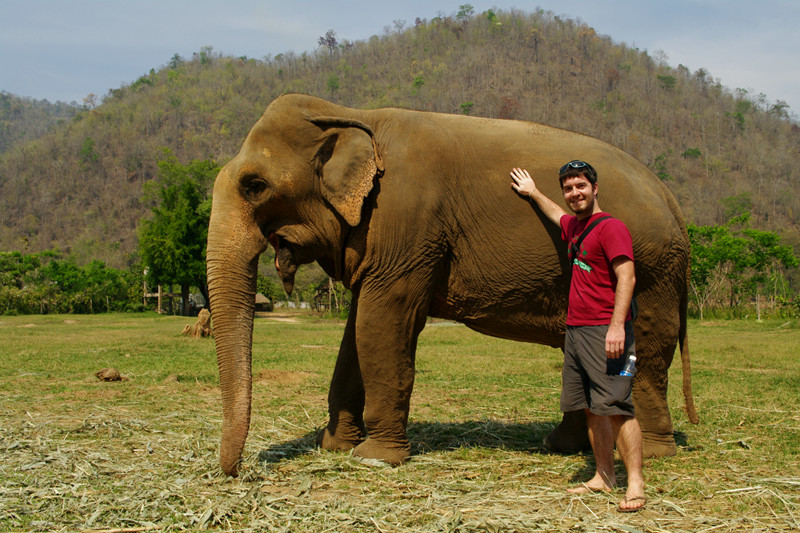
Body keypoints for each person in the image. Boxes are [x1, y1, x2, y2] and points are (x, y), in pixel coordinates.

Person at [510, 161, 646, 513]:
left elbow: (627, 278)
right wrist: (533, 192)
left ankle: (635, 484)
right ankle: (604, 475)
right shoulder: (576, 227)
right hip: (577, 331)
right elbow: (557, 215)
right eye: (569, 188)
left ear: (595, 187)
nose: (575, 193)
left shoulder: (611, 228)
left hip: (607, 330)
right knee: (592, 408)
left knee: (617, 407)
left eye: (581, 186)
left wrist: (617, 326)